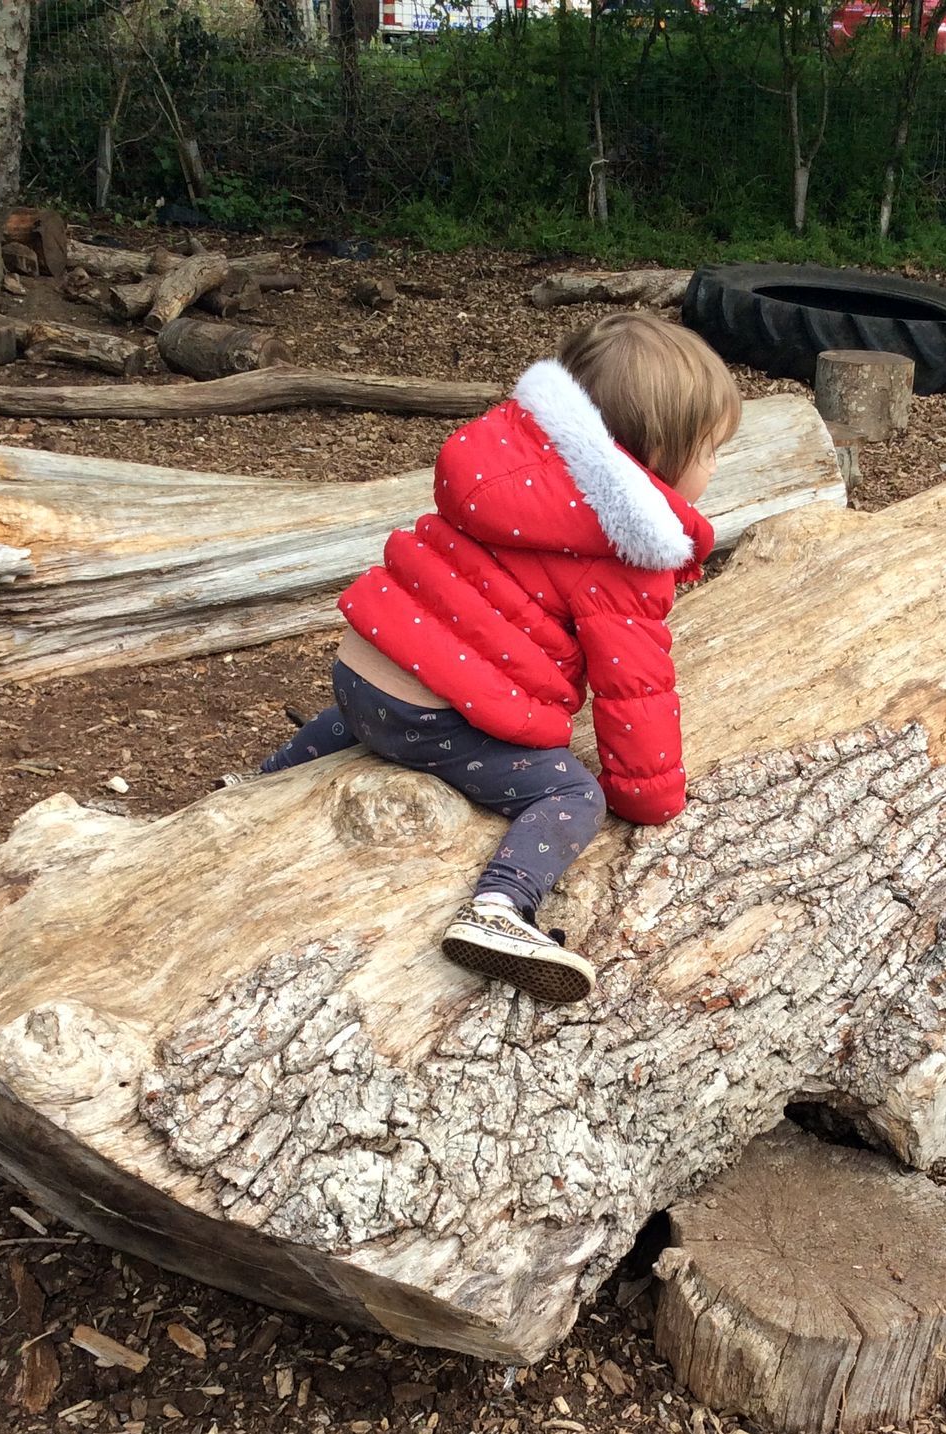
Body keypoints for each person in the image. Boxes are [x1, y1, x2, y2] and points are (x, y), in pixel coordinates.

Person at [256, 313, 741, 1004]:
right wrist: (649, 799)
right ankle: (501, 911)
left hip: (358, 675)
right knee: (573, 791)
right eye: (712, 450)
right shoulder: (626, 549)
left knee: (383, 707)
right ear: (658, 453)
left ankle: (262, 780)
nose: (718, 466)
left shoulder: (509, 473)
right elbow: (635, 691)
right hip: (432, 720)